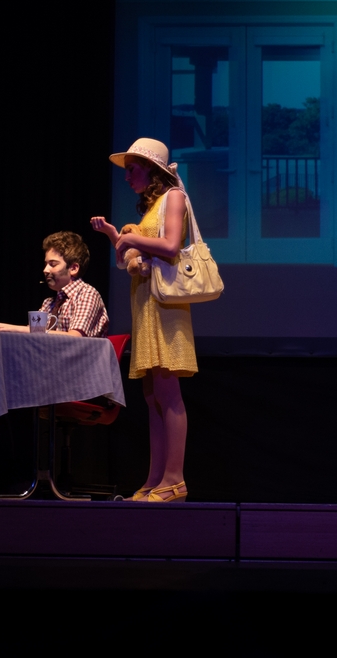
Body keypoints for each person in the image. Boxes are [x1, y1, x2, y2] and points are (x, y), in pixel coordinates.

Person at [90, 138, 196, 503]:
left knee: (168, 393)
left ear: (151, 170)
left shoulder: (174, 197)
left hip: (165, 307)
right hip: (147, 305)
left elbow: (171, 246)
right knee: (153, 398)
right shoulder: (153, 206)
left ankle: (175, 480)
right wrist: (116, 237)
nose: (126, 176)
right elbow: (132, 258)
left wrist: (133, 238)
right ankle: (155, 479)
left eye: (132, 169)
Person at [0, 231, 108, 338]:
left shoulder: (86, 294)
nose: (45, 270)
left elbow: (75, 338)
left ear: (73, 268)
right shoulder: (49, 303)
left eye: (53, 264)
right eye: (46, 264)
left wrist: (16, 329)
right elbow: (32, 335)